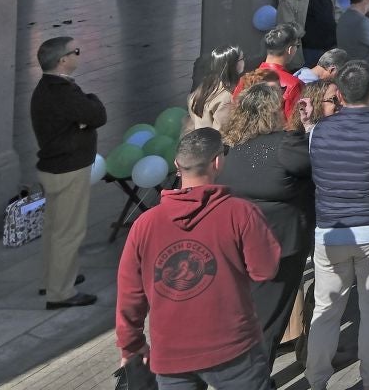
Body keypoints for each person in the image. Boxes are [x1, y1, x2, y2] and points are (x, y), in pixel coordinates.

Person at [115, 128, 281, 390]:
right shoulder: (241, 213)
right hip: (234, 350)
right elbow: (265, 270)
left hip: (170, 354)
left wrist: (131, 344)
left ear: (177, 166)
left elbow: (129, 293)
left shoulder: (144, 225)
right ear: (217, 162)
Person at [305, 61, 369, 390]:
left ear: (340, 95)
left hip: (330, 232)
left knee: (326, 309)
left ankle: (316, 382)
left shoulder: (316, 131)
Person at [217, 80, 313, 360]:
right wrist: (307, 128)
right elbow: (314, 163)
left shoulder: (229, 146)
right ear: (272, 111)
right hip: (280, 245)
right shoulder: (285, 145)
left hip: (238, 243)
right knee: (269, 319)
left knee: (245, 315)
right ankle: (254, 377)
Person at [31, 35, 106, 310]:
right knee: (69, 231)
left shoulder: (48, 87)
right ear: (63, 60)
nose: (78, 54)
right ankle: (60, 292)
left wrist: (84, 116)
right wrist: (92, 103)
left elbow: (86, 116)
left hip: (53, 166)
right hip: (68, 167)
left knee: (55, 227)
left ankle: (53, 278)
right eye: (75, 51)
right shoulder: (62, 92)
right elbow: (97, 114)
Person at [279, 0, 339, 64]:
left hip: (332, 46)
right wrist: (304, 34)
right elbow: (287, 26)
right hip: (310, 51)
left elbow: (337, 10)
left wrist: (337, 25)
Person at [187, 45, 244, 135]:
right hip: (214, 145)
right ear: (234, 65)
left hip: (200, 140)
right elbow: (221, 133)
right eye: (242, 59)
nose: (244, 62)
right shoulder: (226, 98)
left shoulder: (204, 87)